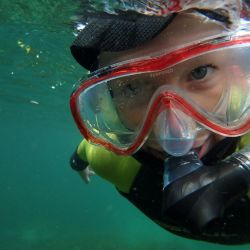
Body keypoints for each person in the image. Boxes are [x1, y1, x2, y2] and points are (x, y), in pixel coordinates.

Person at [69, 0, 250, 244]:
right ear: (109, 102)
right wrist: (78, 162)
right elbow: (85, 152)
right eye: (132, 86)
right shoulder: (110, 162)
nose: (176, 130)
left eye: (200, 72)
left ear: (240, 75)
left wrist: (240, 170)